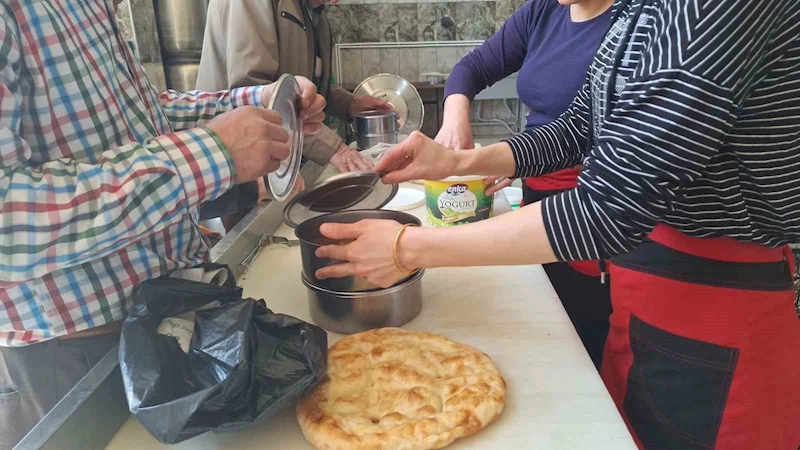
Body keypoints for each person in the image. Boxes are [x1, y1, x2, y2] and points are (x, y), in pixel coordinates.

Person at [311, 0, 800, 448]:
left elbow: (611, 206)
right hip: (645, 285)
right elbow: (579, 126)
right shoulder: (638, 10)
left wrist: (407, 248)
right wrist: (455, 163)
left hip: (719, 305)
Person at [0, 1, 325, 448]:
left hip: (170, 316)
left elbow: (137, 120)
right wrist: (214, 153)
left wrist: (258, 106)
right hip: (74, 358)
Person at [436, 0, 613, 367]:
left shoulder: (638, 20)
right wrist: (456, 120)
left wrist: (410, 248)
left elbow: (596, 136)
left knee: (582, 340)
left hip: (593, 205)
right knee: (542, 322)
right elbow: (474, 66)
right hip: (536, 191)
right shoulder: (544, 11)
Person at [197, 0, 390, 230]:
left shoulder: (314, 11)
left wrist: (350, 104)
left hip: (282, 162)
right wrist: (333, 147)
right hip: (242, 169)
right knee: (257, 249)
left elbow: (309, 90)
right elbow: (255, 95)